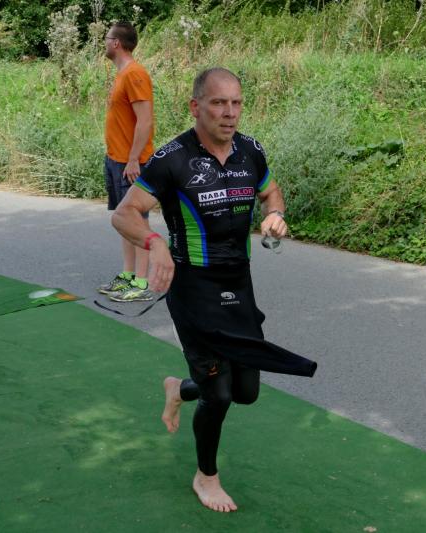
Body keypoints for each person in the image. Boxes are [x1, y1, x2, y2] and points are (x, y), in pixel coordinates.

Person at [112, 67, 316, 513]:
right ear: (196, 107)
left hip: (238, 283)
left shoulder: (250, 151)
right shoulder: (172, 159)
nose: (229, 113)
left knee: (246, 390)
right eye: (219, 103)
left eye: (236, 103)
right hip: (193, 287)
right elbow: (124, 214)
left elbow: (272, 193)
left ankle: (179, 389)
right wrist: (155, 243)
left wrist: (276, 214)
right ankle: (206, 477)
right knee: (219, 394)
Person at [98, 21, 155, 302]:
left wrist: (133, 159)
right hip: (116, 159)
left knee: (137, 222)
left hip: (132, 163)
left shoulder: (135, 74)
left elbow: (145, 121)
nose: (104, 42)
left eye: (107, 37)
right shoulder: (122, 74)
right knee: (124, 221)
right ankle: (128, 275)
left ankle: (142, 283)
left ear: (116, 43)